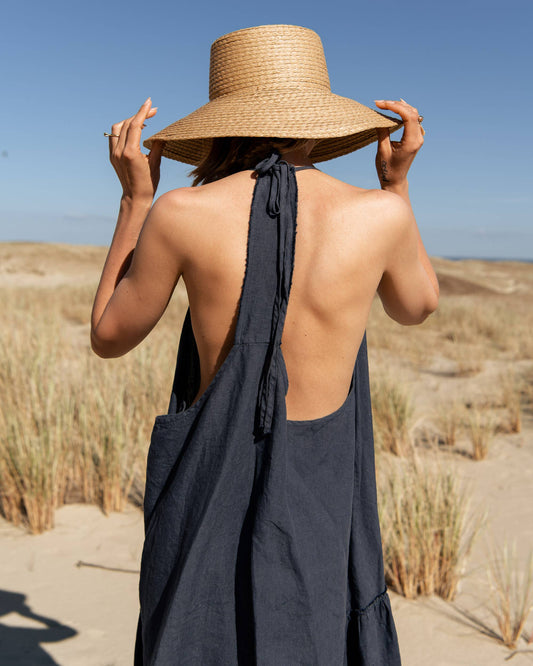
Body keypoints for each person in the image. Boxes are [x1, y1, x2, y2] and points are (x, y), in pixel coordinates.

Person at [91, 24, 438, 666]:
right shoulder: (381, 215)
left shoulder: (181, 213)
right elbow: (416, 307)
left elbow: (109, 336)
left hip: (210, 471)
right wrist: (398, 188)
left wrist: (135, 198)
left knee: (198, 631)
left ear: (222, 121)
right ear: (319, 119)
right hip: (326, 480)